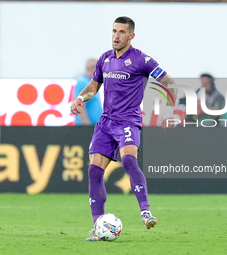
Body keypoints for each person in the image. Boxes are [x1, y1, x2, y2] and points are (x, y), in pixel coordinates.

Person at [70, 16, 177, 241]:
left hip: (128, 121)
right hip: (106, 123)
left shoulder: (142, 60)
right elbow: (93, 86)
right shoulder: (105, 59)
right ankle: (98, 226)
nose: (116, 36)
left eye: (121, 32)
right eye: (114, 31)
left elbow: (171, 85)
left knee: (128, 160)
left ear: (131, 36)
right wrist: (81, 98)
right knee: (93, 171)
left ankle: (145, 211)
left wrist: (168, 113)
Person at [74, 59, 102, 125]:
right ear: (91, 68)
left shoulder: (90, 83)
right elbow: (79, 106)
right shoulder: (83, 82)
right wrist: (86, 125)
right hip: (87, 128)